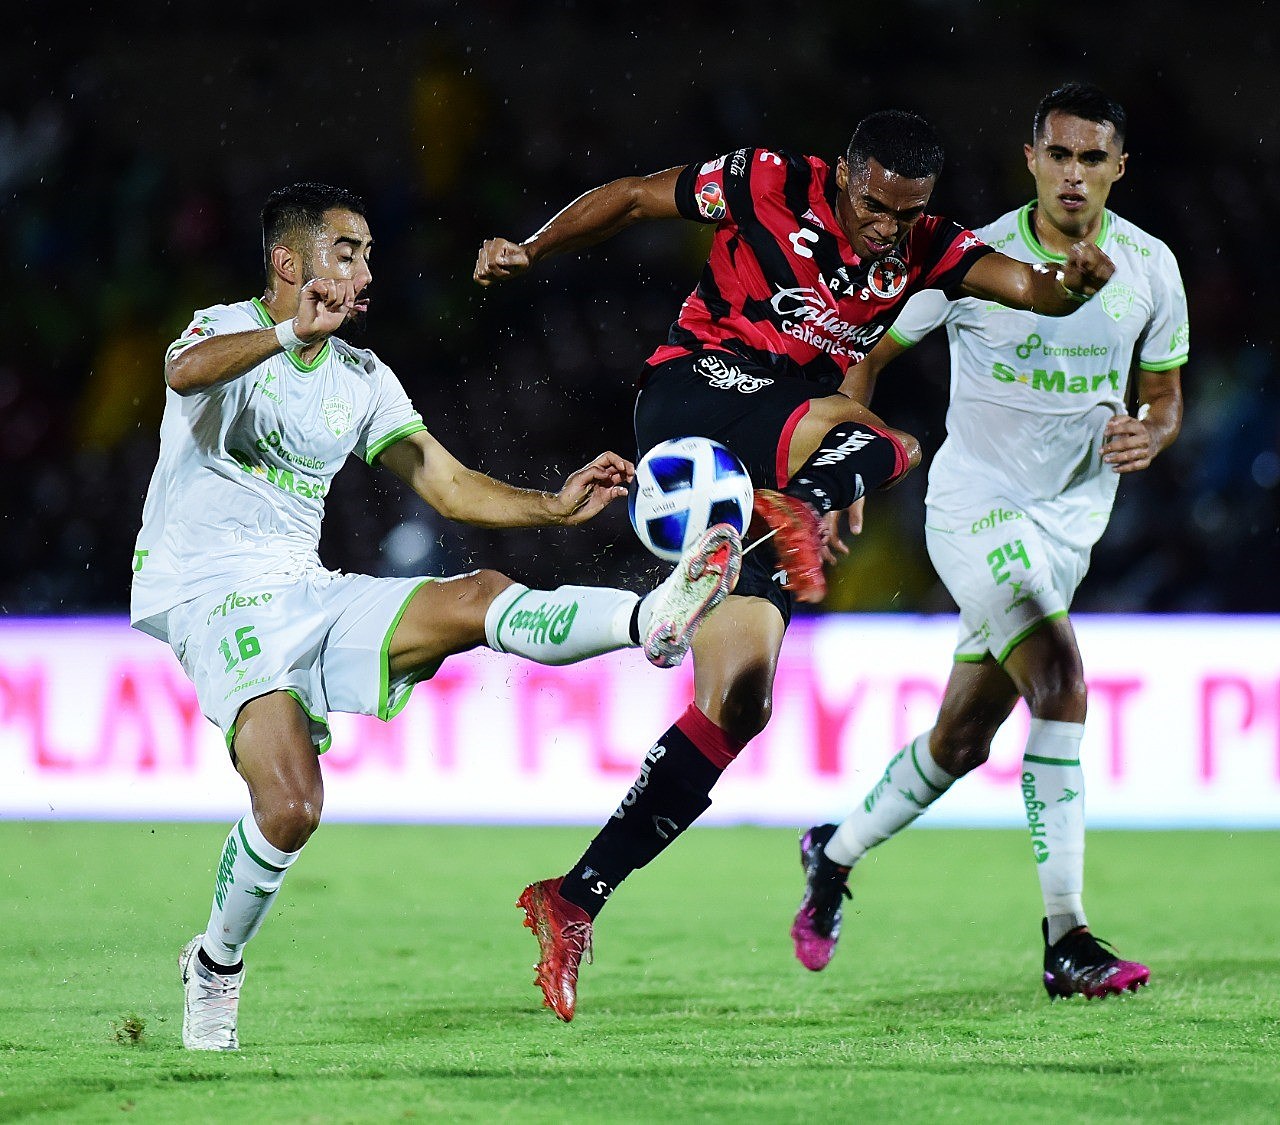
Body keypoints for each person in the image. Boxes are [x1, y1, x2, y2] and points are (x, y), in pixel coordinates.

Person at [475, 109, 1117, 1020]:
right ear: (846, 173)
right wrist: (532, 250)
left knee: (741, 698)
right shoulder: (769, 179)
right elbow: (627, 199)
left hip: (775, 452)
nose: (887, 227)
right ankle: (788, 510)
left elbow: (1030, 286)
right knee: (881, 438)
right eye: (874, 205)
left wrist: (1075, 284)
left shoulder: (931, 245)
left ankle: (573, 898)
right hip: (696, 387)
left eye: (907, 212)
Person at [130, 182, 744, 1051]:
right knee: (294, 806)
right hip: (209, 594)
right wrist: (284, 334)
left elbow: (445, 483)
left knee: (479, 593)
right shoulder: (224, 327)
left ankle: (651, 620)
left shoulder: (359, 375)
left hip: (304, 586)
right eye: (348, 251)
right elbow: (180, 372)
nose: (367, 270)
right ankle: (215, 965)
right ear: (287, 263)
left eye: (370, 253)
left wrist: (553, 505)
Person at [792, 84, 1185, 999]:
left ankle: (832, 851)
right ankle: (1067, 936)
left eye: (1094, 158)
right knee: (1061, 680)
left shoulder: (1151, 268)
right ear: (1031, 157)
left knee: (964, 738)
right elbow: (871, 354)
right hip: (976, 511)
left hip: (1070, 527)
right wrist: (848, 457)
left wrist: (1153, 432)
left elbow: (1165, 393)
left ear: (1119, 168)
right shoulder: (973, 259)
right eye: (1060, 154)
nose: (1075, 175)